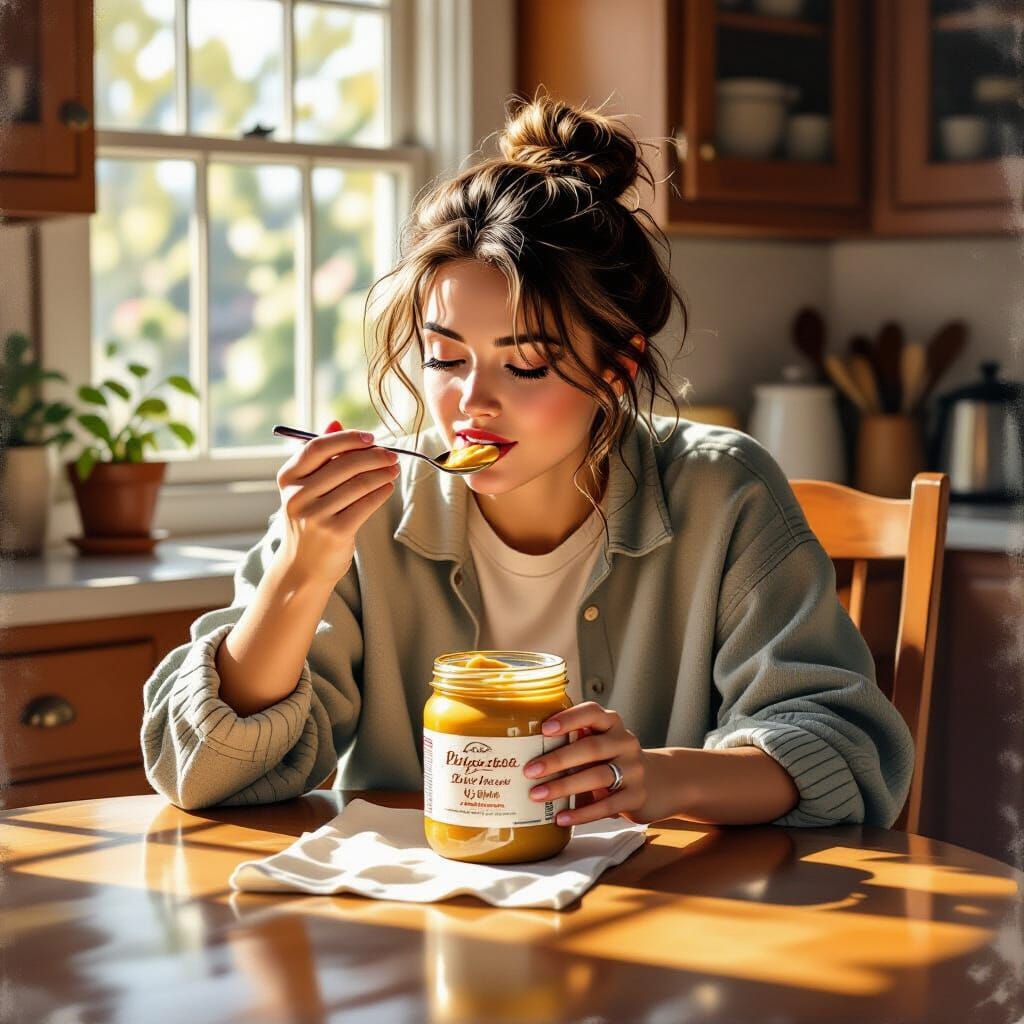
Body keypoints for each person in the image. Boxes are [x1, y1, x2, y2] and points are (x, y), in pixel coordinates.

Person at [141, 90, 913, 827]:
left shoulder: (724, 494)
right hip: (415, 930)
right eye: (446, 360)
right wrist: (303, 568)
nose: (473, 403)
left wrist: (658, 777)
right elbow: (201, 772)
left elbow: (844, 748)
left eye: (528, 363)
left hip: (668, 923)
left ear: (616, 365)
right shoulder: (359, 515)